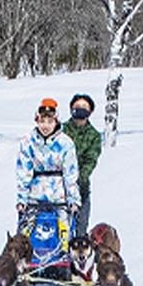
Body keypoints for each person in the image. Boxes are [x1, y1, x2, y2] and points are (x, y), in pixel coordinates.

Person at [15, 97, 80, 229]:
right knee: (26, 238)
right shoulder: (28, 143)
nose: (45, 126)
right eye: (42, 121)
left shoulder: (65, 144)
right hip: (34, 199)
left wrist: (73, 200)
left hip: (59, 200)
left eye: (50, 122)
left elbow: (71, 175)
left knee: (64, 237)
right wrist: (22, 199)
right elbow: (23, 173)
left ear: (56, 122)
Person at [61, 92, 103, 220]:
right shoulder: (60, 130)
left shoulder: (94, 135)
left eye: (84, 106)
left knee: (79, 233)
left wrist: (78, 177)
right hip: (55, 189)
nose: (80, 109)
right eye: (77, 105)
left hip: (80, 189)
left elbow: (91, 160)